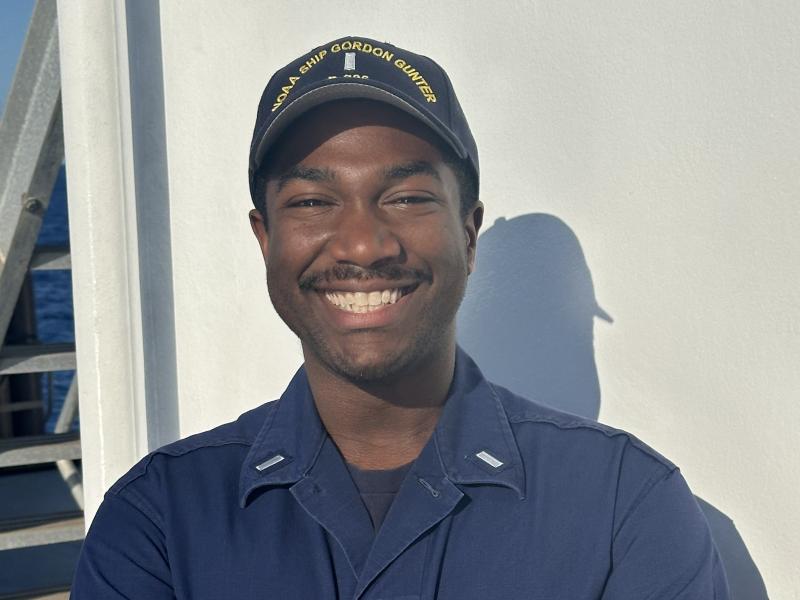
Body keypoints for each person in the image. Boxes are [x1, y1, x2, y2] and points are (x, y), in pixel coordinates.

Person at [72, 36, 729, 599]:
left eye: (408, 196)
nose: (363, 244)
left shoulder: (626, 506)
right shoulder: (160, 517)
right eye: (312, 201)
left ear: (468, 236)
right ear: (265, 238)